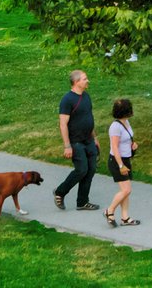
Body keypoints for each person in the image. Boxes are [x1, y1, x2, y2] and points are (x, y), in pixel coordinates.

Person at [53, 69, 99, 211]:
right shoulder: (67, 100)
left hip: (88, 140)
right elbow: (63, 124)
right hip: (76, 142)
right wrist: (67, 146)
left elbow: (88, 117)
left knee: (91, 170)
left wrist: (95, 137)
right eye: (85, 79)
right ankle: (60, 192)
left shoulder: (86, 96)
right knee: (81, 170)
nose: (87, 81)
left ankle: (82, 202)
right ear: (76, 82)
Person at [105, 98, 139, 228]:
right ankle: (110, 210)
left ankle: (125, 217)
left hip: (125, 159)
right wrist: (121, 165)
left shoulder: (126, 122)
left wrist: (132, 145)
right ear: (127, 111)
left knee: (125, 191)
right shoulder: (115, 127)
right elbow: (114, 147)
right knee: (126, 190)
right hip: (117, 161)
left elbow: (125, 140)